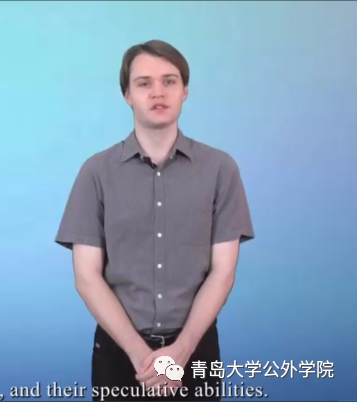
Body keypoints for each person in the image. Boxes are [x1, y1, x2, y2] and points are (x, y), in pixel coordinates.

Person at [55, 39, 255, 402]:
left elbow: (223, 272)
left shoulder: (220, 169)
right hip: (119, 352)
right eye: (144, 83)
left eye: (169, 81)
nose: (158, 92)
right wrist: (140, 356)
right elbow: (86, 276)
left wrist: (180, 352)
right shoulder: (96, 172)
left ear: (185, 91)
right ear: (127, 95)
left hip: (194, 350)